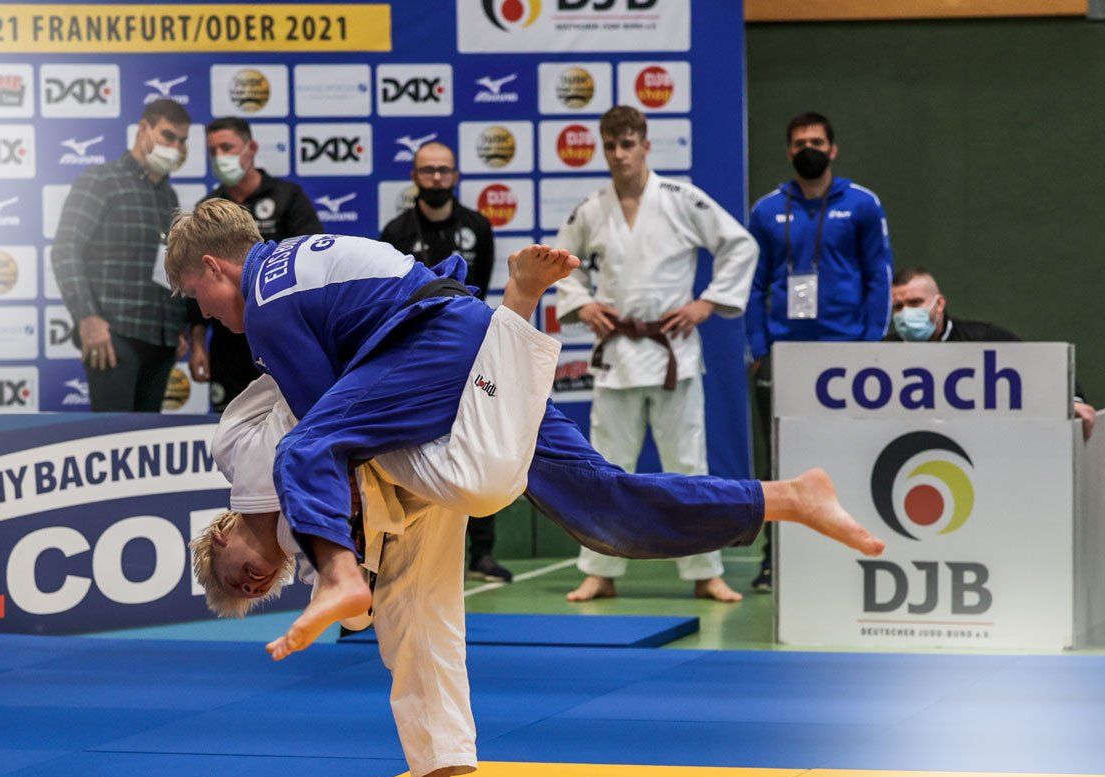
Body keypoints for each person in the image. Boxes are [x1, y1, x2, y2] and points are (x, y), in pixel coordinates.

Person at [193, 325, 885, 777]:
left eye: (235, 576)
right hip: (417, 454)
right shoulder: (303, 529)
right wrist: (341, 585)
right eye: (256, 592)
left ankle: (786, 494)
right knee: (415, 623)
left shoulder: (240, 448)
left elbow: (306, 407)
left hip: (440, 392)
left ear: (219, 533)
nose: (257, 580)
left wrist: (335, 580)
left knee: (598, 501)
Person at [163, 199, 885, 664]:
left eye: (199, 296)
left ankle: (341, 579)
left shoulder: (264, 299)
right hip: (464, 356)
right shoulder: (294, 265)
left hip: (436, 346)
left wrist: (354, 548)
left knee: (307, 446)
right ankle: (787, 497)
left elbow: (331, 427)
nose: (207, 315)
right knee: (607, 508)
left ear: (218, 266)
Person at [553, 105, 759, 605]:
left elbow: (739, 245)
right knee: (604, 466)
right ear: (603, 149)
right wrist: (582, 304)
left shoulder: (680, 199)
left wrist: (707, 302)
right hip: (618, 354)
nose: (620, 154)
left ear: (646, 145)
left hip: (674, 354)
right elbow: (565, 266)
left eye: (628, 144)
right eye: (611, 145)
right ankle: (600, 570)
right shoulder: (590, 210)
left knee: (688, 465)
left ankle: (705, 572)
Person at [745, 111, 894, 592]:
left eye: (816, 141)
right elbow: (753, 285)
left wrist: (871, 344)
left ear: (832, 149)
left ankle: (855, 549)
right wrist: (759, 347)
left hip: (847, 351)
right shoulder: (767, 210)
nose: (808, 148)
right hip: (786, 355)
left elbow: (880, 277)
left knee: (851, 452)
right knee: (778, 461)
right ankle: (776, 560)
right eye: (799, 142)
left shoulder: (863, 204)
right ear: (789, 152)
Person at [379, 140, 509, 584]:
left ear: (455, 176)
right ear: (415, 176)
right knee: (409, 447)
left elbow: (483, 286)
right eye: (428, 170)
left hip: (470, 346)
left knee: (480, 439)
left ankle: (483, 554)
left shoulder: (478, 227)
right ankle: (401, 553)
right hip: (412, 352)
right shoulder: (395, 231)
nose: (436, 178)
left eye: (444, 170)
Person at [52, 99, 191, 412]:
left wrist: (176, 325)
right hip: (114, 336)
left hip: (162, 341)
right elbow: (65, 249)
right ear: (144, 130)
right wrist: (87, 318)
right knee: (112, 442)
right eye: (168, 136)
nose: (176, 147)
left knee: (144, 447)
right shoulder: (100, 180)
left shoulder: (168, 195)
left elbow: (167, 265)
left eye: (182, 141)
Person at [188, 116, 322, 412]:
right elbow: (196, 281)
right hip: (229, 345)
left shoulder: (289, 198)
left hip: (285, 339)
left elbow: (313, 261)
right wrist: (197, 342)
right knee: (228, 435)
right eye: (213, 151)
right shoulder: (207, 208)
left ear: (252, 148)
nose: (220, 157)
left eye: (227, 147)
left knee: (293, 425)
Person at [888, 266, 1095, 438]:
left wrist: (1071, 403)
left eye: (915, 303)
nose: (906, 313)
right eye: (898, 307)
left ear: (939, 304)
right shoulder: (879, 355)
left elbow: (1040, 366)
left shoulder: (983, 339)